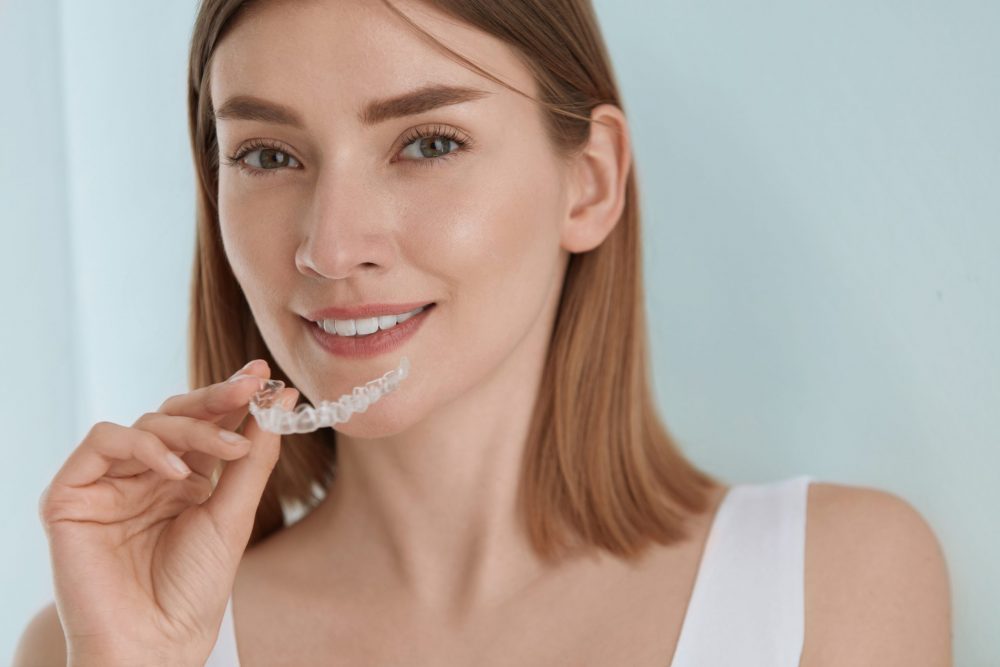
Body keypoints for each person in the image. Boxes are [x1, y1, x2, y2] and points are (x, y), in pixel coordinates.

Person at [16, 0, 952, 665]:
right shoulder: (93, 638)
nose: (331, 246)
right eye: (268, 154)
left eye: (427, 143)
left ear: (589, 182)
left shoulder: (833, 580)